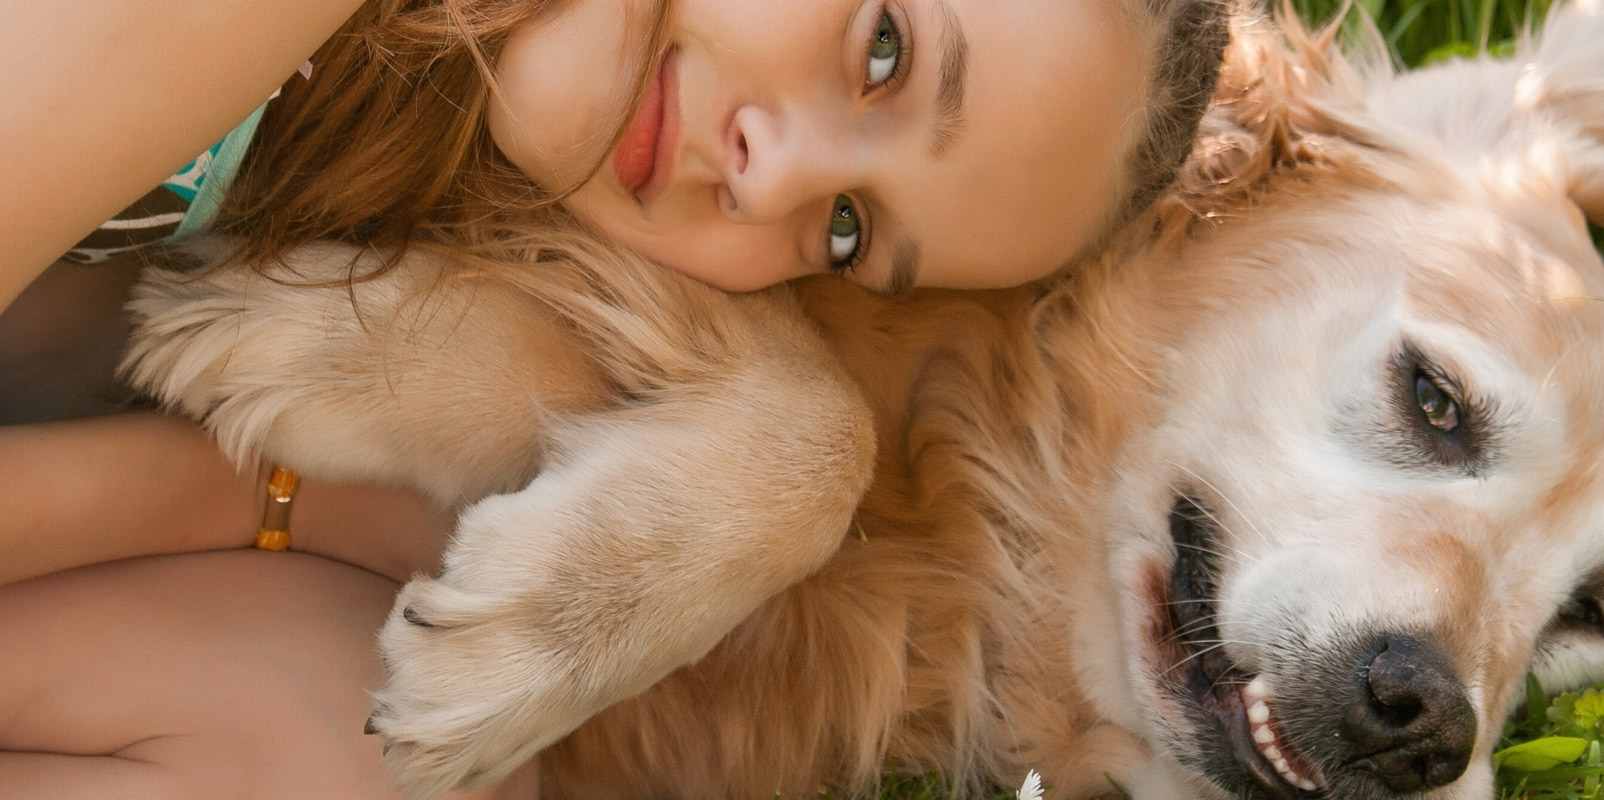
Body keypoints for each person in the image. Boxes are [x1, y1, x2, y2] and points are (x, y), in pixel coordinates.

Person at [0, 0, 1238, 796]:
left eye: (846, 231)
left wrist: (787, 457)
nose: (778, 179)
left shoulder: (417, 134)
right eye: (883, 49)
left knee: (354, 760)